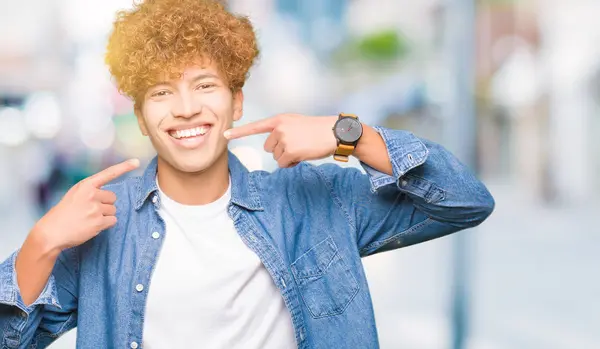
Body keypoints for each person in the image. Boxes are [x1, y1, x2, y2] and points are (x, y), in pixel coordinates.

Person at [0, 0, 495, 348]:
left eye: (205, 85)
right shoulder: (103, 228)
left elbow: (465, 199)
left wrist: (349, 134)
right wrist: (41, 243)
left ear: (236, 102)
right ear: (141, 113)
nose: (187, 109)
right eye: (162, 93)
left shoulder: (314, 198)